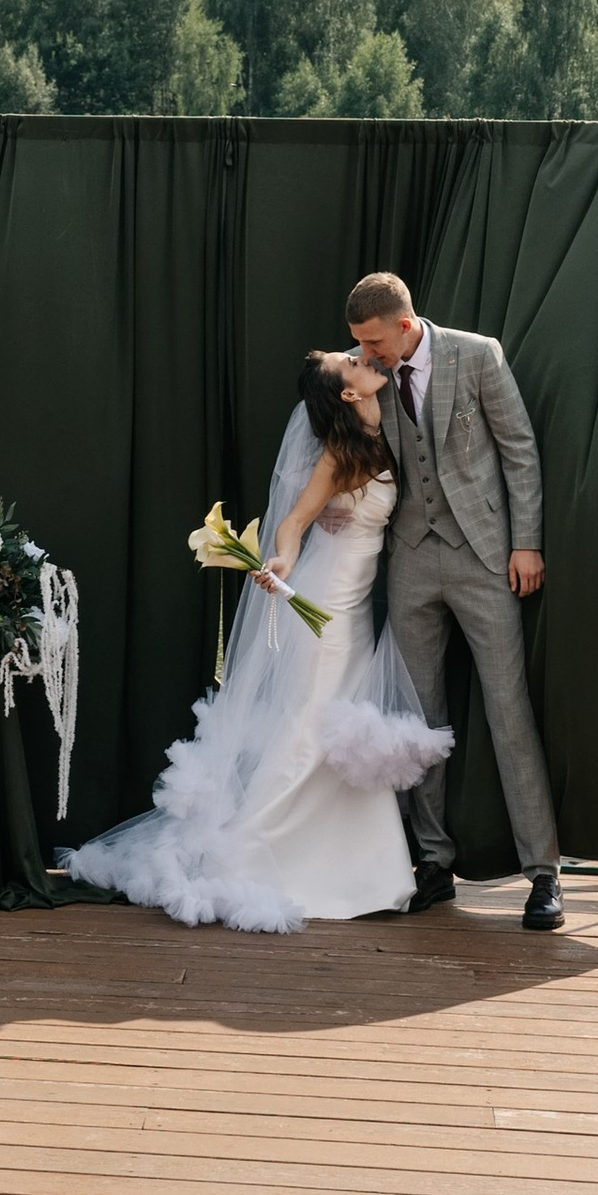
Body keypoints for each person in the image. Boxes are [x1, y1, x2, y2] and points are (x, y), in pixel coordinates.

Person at [60, 349, 451, 929]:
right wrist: (282, 563)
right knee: (313, 723)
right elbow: (292, 522)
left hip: (356, 605)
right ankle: (254, 851)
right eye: (352, 361)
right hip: (325, 600)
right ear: (348, 393)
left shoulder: (384, 430)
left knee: (340, 725)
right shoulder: (339, 455)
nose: (363, 360)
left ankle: (358, 867)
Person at [346, 269, 563, 930]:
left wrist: (526, 543)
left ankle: (544, 873)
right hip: (408, 559)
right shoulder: (365, 372)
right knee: (420, 718)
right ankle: (432, 864)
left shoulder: (478, 354)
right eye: (359, 343)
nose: (367, 353)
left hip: (484, 557)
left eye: (375, 342)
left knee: (507, 707)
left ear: (406, 325)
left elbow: (519, 450)